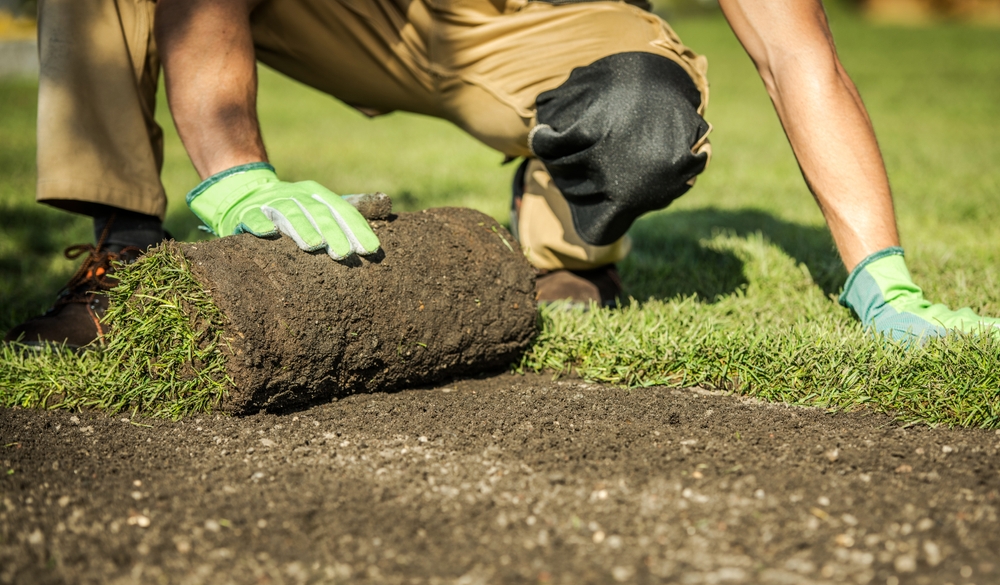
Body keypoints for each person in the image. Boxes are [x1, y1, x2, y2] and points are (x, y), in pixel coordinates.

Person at [6, 0, 998, 349]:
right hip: (356, 15)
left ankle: (568, 252)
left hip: (533, 22)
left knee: (645, 115)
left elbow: (799, 57)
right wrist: (236, 172)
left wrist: (884, 281)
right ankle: (119, 256)